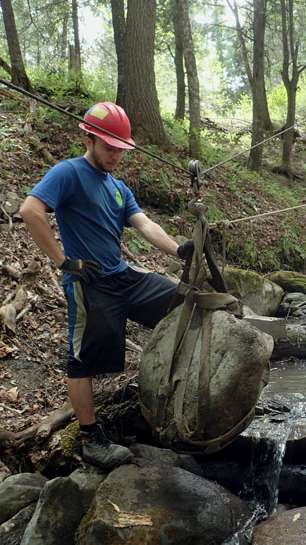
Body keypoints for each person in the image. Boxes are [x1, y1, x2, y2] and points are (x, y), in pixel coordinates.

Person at [19, 101, 193, 470]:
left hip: (123, 276)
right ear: (89, 139)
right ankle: (90, 438)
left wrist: (179, 249)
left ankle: (175, 391)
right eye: (109, 147)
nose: (115, 155)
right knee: (82, 361)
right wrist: (64, 262)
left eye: (120, 149)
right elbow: (30, 210)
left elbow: (145, 225)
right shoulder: (68, 172)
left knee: (183, 302)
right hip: (90, 282)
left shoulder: (117, 187)